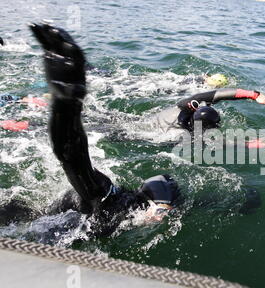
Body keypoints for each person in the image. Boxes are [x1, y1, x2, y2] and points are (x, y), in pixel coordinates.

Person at [26, 22, 180, 237]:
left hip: (56, 218)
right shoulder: (119, 204)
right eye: (159, 211)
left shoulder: (131, 214)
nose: (157, 219)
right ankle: (68, 97)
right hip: (87, 205)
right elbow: (162, 179)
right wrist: (163, 206)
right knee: (72, 158)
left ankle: (67, 97)